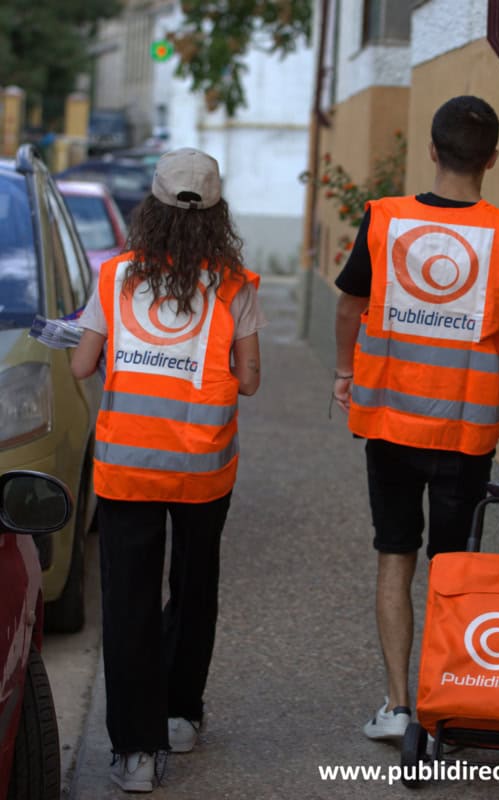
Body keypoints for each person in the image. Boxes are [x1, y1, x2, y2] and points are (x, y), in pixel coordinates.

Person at [333, 96, 499, 742]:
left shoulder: (383, 220)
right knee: (453, 571)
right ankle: (440, 708)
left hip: (390, 428)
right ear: (493, 159)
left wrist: (344, 372)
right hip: (466, 436)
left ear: (432, 150)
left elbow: (348, 306)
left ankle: (398, 708)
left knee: (394, 555)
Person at [71, 147, 266, 792]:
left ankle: (135, 752)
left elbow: (81, 365)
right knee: (193, 584)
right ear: (217, 213)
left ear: (149, 208)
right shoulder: (234, 284)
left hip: (127, 464)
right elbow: (250, 380)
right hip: (202, 468)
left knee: (127, 600)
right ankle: (181, 715)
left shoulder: (115, 277)